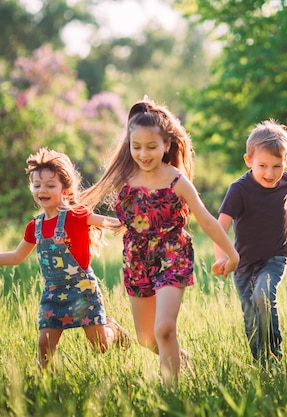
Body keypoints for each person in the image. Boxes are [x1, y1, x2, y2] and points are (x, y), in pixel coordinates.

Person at [82, 97, 239, 387]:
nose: (143, 154)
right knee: (146, 338)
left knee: (164, 328)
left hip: (172, 255)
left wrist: (232, 254)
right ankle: (180, 358)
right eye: (136, 146)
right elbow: (99, 211)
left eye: (151, 147)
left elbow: (205, 219)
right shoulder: (124, 177)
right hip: (136, 260)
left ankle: (172, 394)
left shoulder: (177, 181)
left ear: (166, 145)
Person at [0, 148, 131, 370]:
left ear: (65, 190)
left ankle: (113, 331)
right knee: (45, 344)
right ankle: (43, 385)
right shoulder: (35, 226)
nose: (42, 190)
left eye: (50, 185)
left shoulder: (76, 215)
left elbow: (111, 222)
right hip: (53, 293)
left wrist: (133, 219)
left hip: (82, 289)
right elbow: (15, 256)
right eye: (37, 185)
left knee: (100, 345)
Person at [212, 120, 287, 369]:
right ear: (249, 160)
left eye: (277, 166)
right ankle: (261, 362)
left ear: (285, 162)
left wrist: (286, 219)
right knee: (251, 317)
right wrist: (221, 258)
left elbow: (278, 205)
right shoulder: (239, 190)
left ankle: (275, 354)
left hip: (274, 256)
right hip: (244, 263)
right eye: (263, 166)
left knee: (263, 295)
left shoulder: (285, 182)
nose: (270, 173)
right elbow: (220, 226)